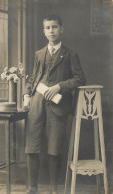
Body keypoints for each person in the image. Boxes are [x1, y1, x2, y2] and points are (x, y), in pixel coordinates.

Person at [24, 15, 86, 194]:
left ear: (62, 29)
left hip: (58, 106)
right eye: (48, 28)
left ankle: (54, 189)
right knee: (32, 144)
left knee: (55, 146)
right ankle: (32, 188)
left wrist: (60, 86)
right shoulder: (39, 54)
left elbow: (80, 78)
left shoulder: (70, 54)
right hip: (37, 104)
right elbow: (33, 78)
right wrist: (26, 95)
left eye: (55, 27)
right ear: (43, 31)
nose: (51, 31)